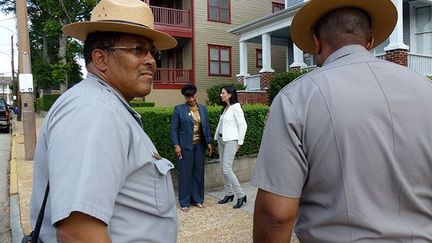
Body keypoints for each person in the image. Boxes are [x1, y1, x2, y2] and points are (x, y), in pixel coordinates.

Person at [252, 0, 432, 242]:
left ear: (316, 42)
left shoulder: (295, 99)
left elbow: (276, 215)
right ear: (369, 41)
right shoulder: (425, 88)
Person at [29, 0, 179, 242]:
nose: (151, 60)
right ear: (100, 59)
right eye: (138, 49)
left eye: (153, 52)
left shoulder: (103, 104)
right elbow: (78, 233)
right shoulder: (95, 110)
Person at [170, 84, 213, 212]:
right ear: (185, 97)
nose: (190, 99)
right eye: (187, 97)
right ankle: (184, 202)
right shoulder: (179, 109)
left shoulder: (203, 109)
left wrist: (209, 142)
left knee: (198, 173)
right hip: (185, 147)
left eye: (192, 96)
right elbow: (174, 128)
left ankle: (198, 199)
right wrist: (176, 145)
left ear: (195, 95)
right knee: (185, 174)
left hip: (200, 146)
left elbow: (206, 126)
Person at [214, 86, 248, 209]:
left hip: (231, 141)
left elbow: (243, 126)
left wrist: (240, 142)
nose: (220, 95)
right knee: (223, 168)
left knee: (227, 168)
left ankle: (240, 195)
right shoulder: (226, 108)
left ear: (229, 95)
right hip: (222, 140)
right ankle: (229, 194)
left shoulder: (236, 107)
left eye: (223, 93)